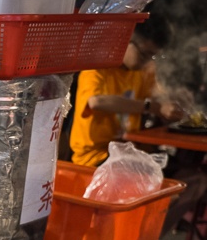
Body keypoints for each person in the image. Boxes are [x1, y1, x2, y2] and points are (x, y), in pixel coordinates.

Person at [70, 18, 184, 167]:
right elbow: (96, 101)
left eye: (153, 56)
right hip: (95, 157)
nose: (147, 61)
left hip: (128, 150)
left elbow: (157, 94)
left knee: (190, 173)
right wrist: (152, 107)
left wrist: (172, 101)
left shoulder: (144, 70)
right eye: (144, 54)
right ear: (124, 41)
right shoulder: (97, 65)